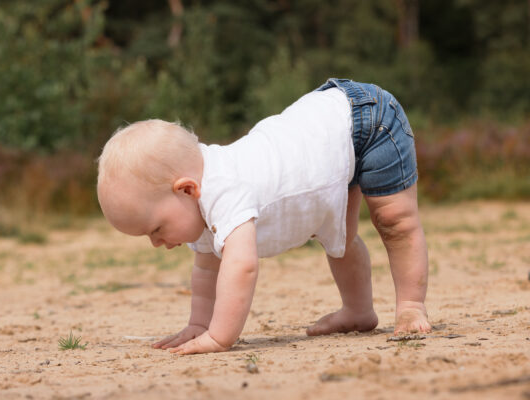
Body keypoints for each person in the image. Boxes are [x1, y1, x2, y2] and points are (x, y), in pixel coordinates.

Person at [96, 78, 431, 355]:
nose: (156, 243)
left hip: (364, 120)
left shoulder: (224, 188)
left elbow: (241, 266)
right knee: (339, 238)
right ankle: (359, 312)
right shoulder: (195, 204)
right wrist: (199, 325)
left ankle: (411, 305)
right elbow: (206, 270)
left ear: (186, 190)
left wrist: (218, 335)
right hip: (326, 142)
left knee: (394, 220)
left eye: (155, 229)